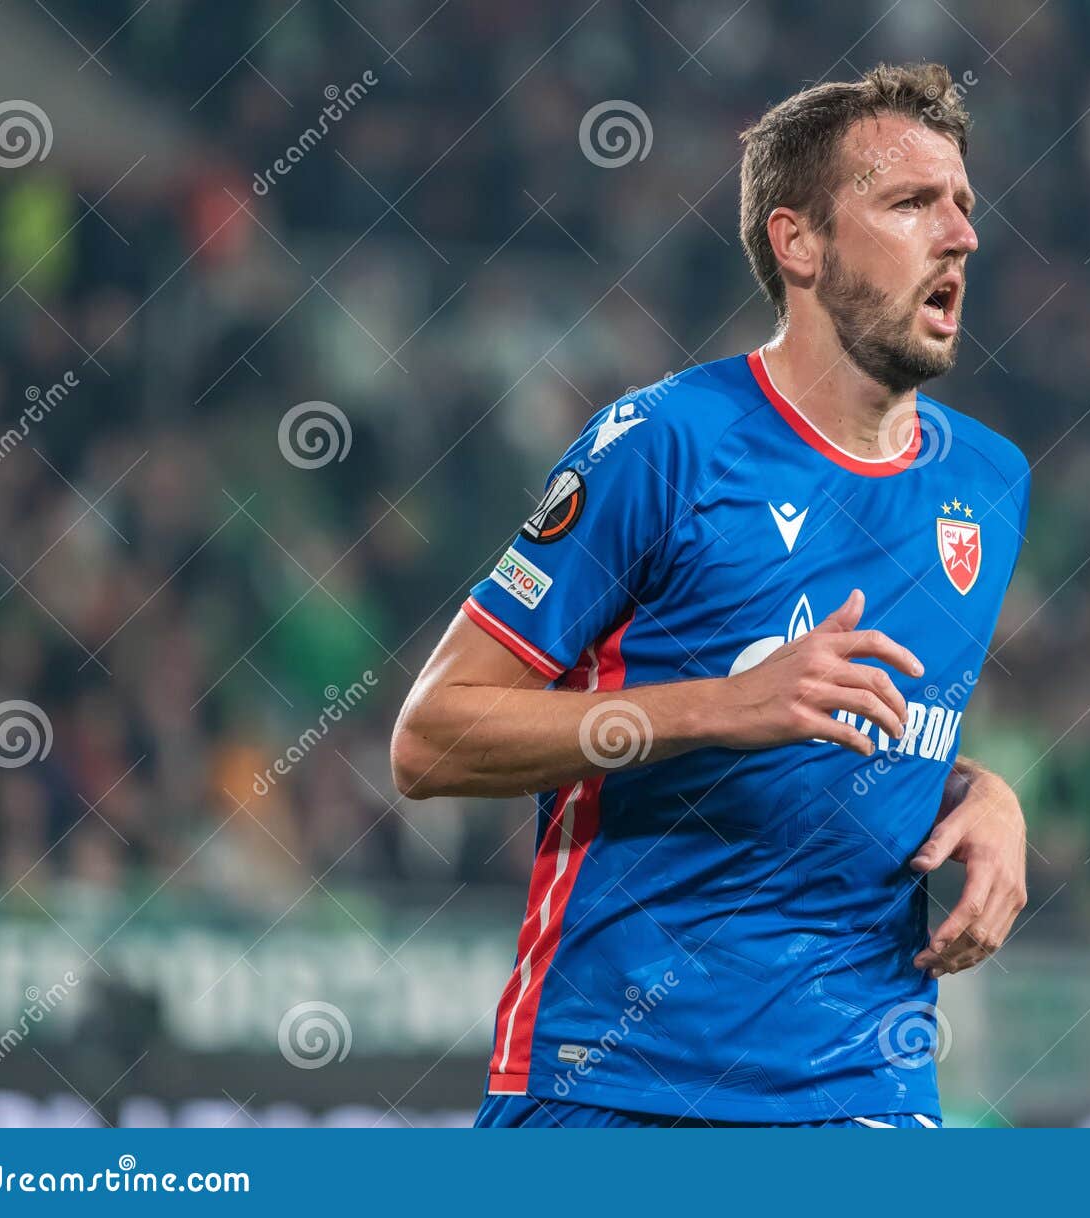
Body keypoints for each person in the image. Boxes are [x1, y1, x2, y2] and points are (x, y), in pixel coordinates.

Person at [393, 62, 1031, 1128]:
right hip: (618, 1086)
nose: (959, 234)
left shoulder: (989, 483)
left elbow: (859, 737)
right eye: (912, 202)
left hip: (863, 1088)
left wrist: (981, 797)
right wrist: (716, 708)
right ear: (800, 244)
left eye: (963, 204)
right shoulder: (666, 448)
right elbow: (431, 741)